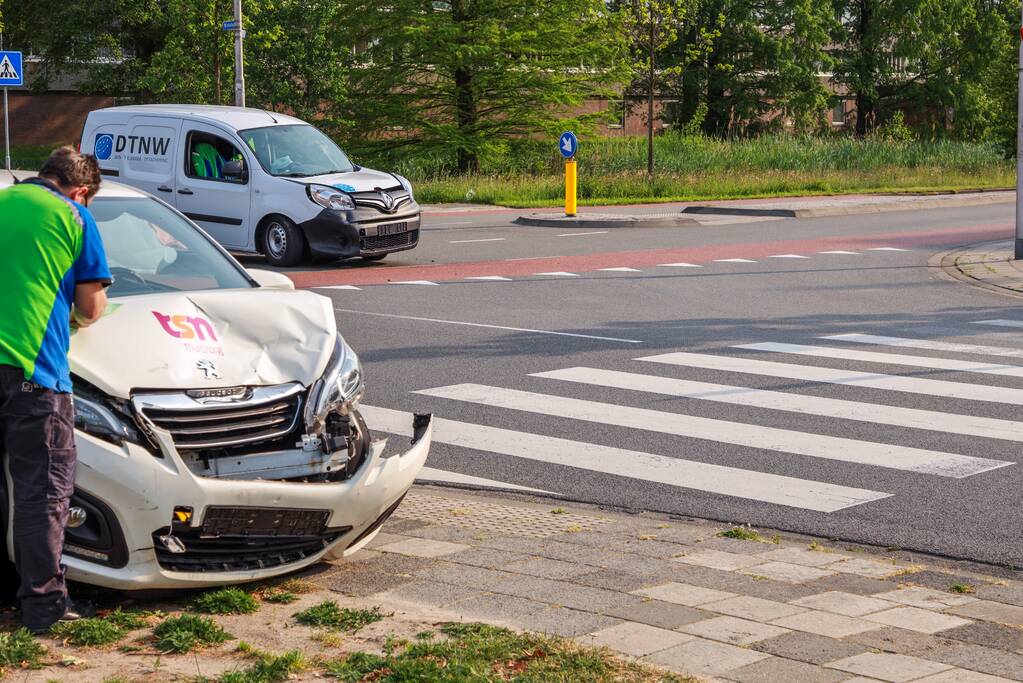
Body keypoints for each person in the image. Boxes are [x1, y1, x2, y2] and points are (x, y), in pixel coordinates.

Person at [0, 146, 111, 633]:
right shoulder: (74, 217)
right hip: (31, 372)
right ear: (81, 191)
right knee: (42, 492)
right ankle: (44, 608)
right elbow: (91, 307)